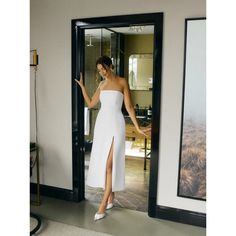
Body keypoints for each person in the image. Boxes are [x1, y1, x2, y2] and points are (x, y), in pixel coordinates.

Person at [75, 55, 150, 221]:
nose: (102, 73)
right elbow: (90, 103)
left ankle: (102, 205)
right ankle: (111, 197)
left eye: (104, 69)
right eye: (100, 71)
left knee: (110, 164)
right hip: (102, 125)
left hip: (116, 124)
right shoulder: (101, 84)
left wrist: (137, 126)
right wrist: (82, 87)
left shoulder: (122, 82)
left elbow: (129, 107)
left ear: (110, 66)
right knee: (105, 164)